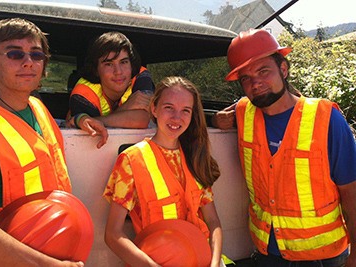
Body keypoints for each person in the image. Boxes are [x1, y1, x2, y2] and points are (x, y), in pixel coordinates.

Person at [0, 18, 98, 266]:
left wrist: (80, 117)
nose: (28, 62)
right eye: (14, 53)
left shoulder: (37, 108)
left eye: (37, 54)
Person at [214, 28, 356, 267]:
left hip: (322, 258)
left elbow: (352, 194)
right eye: (246, 78)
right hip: (268, 254)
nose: (255, 83)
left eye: (263, 71)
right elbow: (219, 118)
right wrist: (216, 120)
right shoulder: (243, 112)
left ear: (283, 69)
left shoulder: (326, 119)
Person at [103, 76, 224, 266]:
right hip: (158, 261)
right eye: (169, 107)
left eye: (185, 110)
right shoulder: (132, 160)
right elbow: (112, 234)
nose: (177, 118)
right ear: (154, 109)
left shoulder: (195, 157)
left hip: (203, 259)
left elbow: (213, 221)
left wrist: (215, 263)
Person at [67, 31, 154, 133]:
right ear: (96, 69)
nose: (118, 71)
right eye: (109, 64)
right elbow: (91, 134)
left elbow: (141, 119)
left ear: (131, 65)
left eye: (124, 62)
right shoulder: (83, 94)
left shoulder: (141, 76)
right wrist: (127, 106)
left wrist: (93, 121)